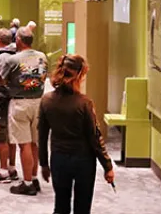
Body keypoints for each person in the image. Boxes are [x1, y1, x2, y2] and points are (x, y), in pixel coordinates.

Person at [38, 54, 115, 214]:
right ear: (80, 75)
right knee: (82, 207)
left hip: (58, 158)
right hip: (83, 161)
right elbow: (95, 137)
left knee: (61, 206)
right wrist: (107, 166)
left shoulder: (46, 100)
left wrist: (44, 164)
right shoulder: (84, 103)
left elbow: (42, 136)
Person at [0, 26, 48, 196]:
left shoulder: (13, 60)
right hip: (39, 102)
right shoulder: (42, 56)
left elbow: (2, 80)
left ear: (18, 40)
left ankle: (26, 183)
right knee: (35, 143)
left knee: (24, 144)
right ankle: (34, 178)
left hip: (20, 103)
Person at [0, 28, 18, 183]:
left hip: (3, 102)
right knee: (11, 136)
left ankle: (4, 171)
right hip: (14, 100)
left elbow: (0, 83)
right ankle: (11, 167)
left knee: (2, 137)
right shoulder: (15, 55)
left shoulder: (2, 58)